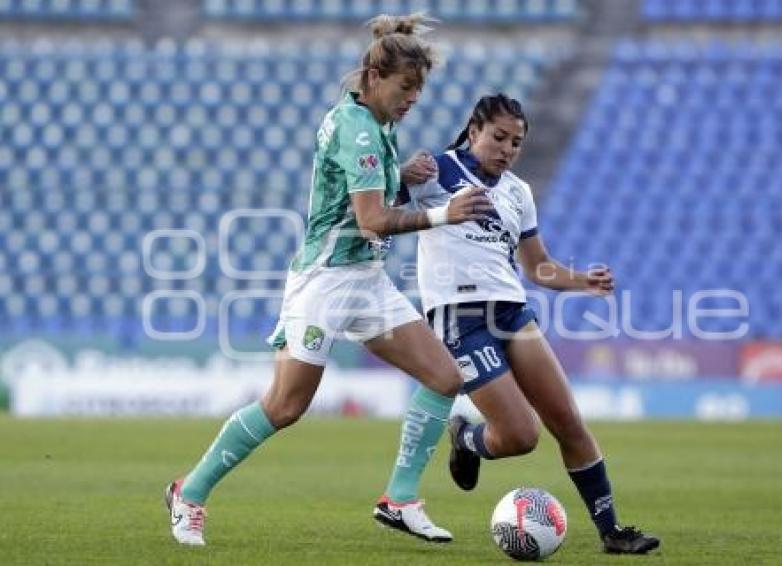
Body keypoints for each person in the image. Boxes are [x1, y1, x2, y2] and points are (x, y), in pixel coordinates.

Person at [164, 13, 494, 546]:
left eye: (419, 90)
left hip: (366, 278)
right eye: (407, 87)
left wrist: (399, 176)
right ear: (375, 76)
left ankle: (400, 499)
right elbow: (370, 220)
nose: (413, 99)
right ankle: (189, 492)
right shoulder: (358, 128)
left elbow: (366, 199)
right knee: (285, 406)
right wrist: (442, 214)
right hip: (326, 282)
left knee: (444, 376)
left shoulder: (376, 122)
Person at [391, 93, 661, 554]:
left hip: (513, 312)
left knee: (568, 422)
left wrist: (582, 280)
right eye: (499, 137)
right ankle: (467, 436)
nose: (507, 149)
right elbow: (372, 210)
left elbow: (538, 267)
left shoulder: (518, 191)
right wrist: (397, 175)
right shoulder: (434, 171)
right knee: (521, 437)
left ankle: (613, 533)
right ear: (474, 131)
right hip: (461, 318)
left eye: (516, 142)